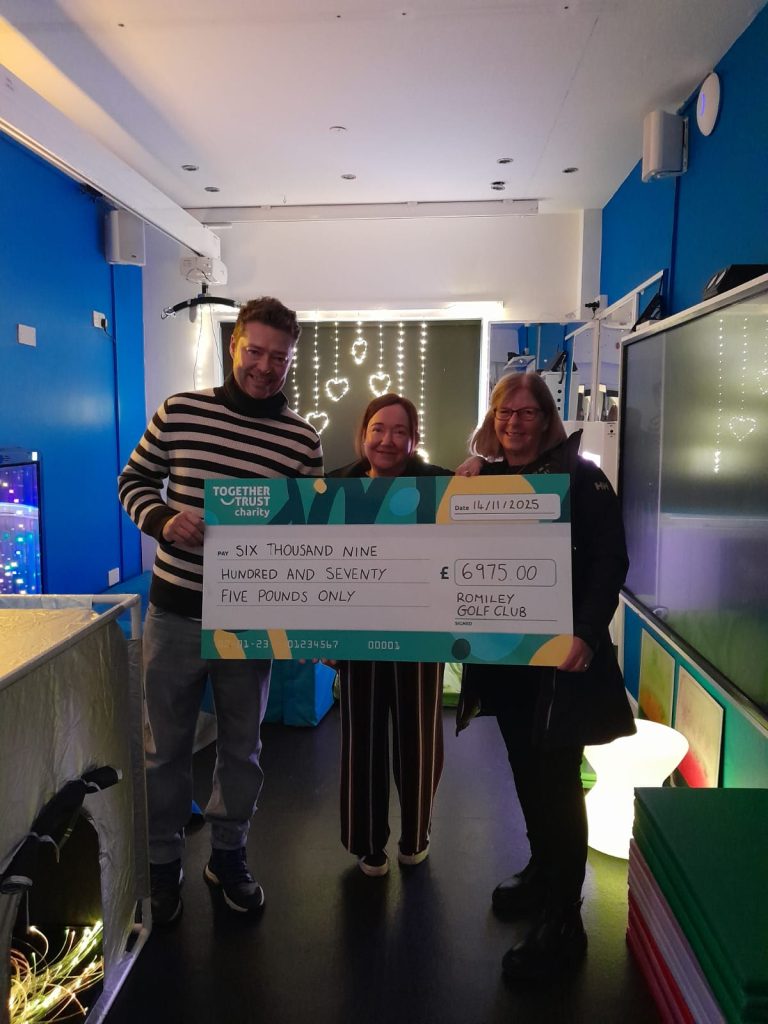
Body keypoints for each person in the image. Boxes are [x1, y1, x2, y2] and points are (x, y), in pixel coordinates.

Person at [119, 296, 323, 925]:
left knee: (243, 749)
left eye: (279, 357)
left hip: (250, 620)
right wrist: (162, 519)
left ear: (291, 360)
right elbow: (133, 481)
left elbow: (310, 532)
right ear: (234, 346)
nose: (266, 366)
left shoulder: (300, 439)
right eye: (255, 351)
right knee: (164, 750)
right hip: (176, 612)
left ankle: (227, 854)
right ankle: (160, 862)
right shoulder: (179, 412)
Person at [457, 372, 635, 981]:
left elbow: (610, 560)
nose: (514, 423)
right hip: (505, 665)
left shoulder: (581, 478)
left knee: (558, 783)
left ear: (548, 418)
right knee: (526, 774)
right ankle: (541, 870)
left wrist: (585, 633)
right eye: (505, 412)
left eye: (527, 413)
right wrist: (461, 490)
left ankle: (565, 919)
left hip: (561, 663)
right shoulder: (482, 479)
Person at [330, 394, 452, 876]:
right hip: (357, 633)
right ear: (364, 434)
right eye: (378, 428)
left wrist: (479, 463)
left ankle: (415, 833)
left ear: (414, 440)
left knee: (418, 738)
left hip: (422, 634)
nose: (387, 439)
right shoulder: (336, 486)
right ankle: (367, 842)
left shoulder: (440, 484)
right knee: (361, 737)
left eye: (400, 431)